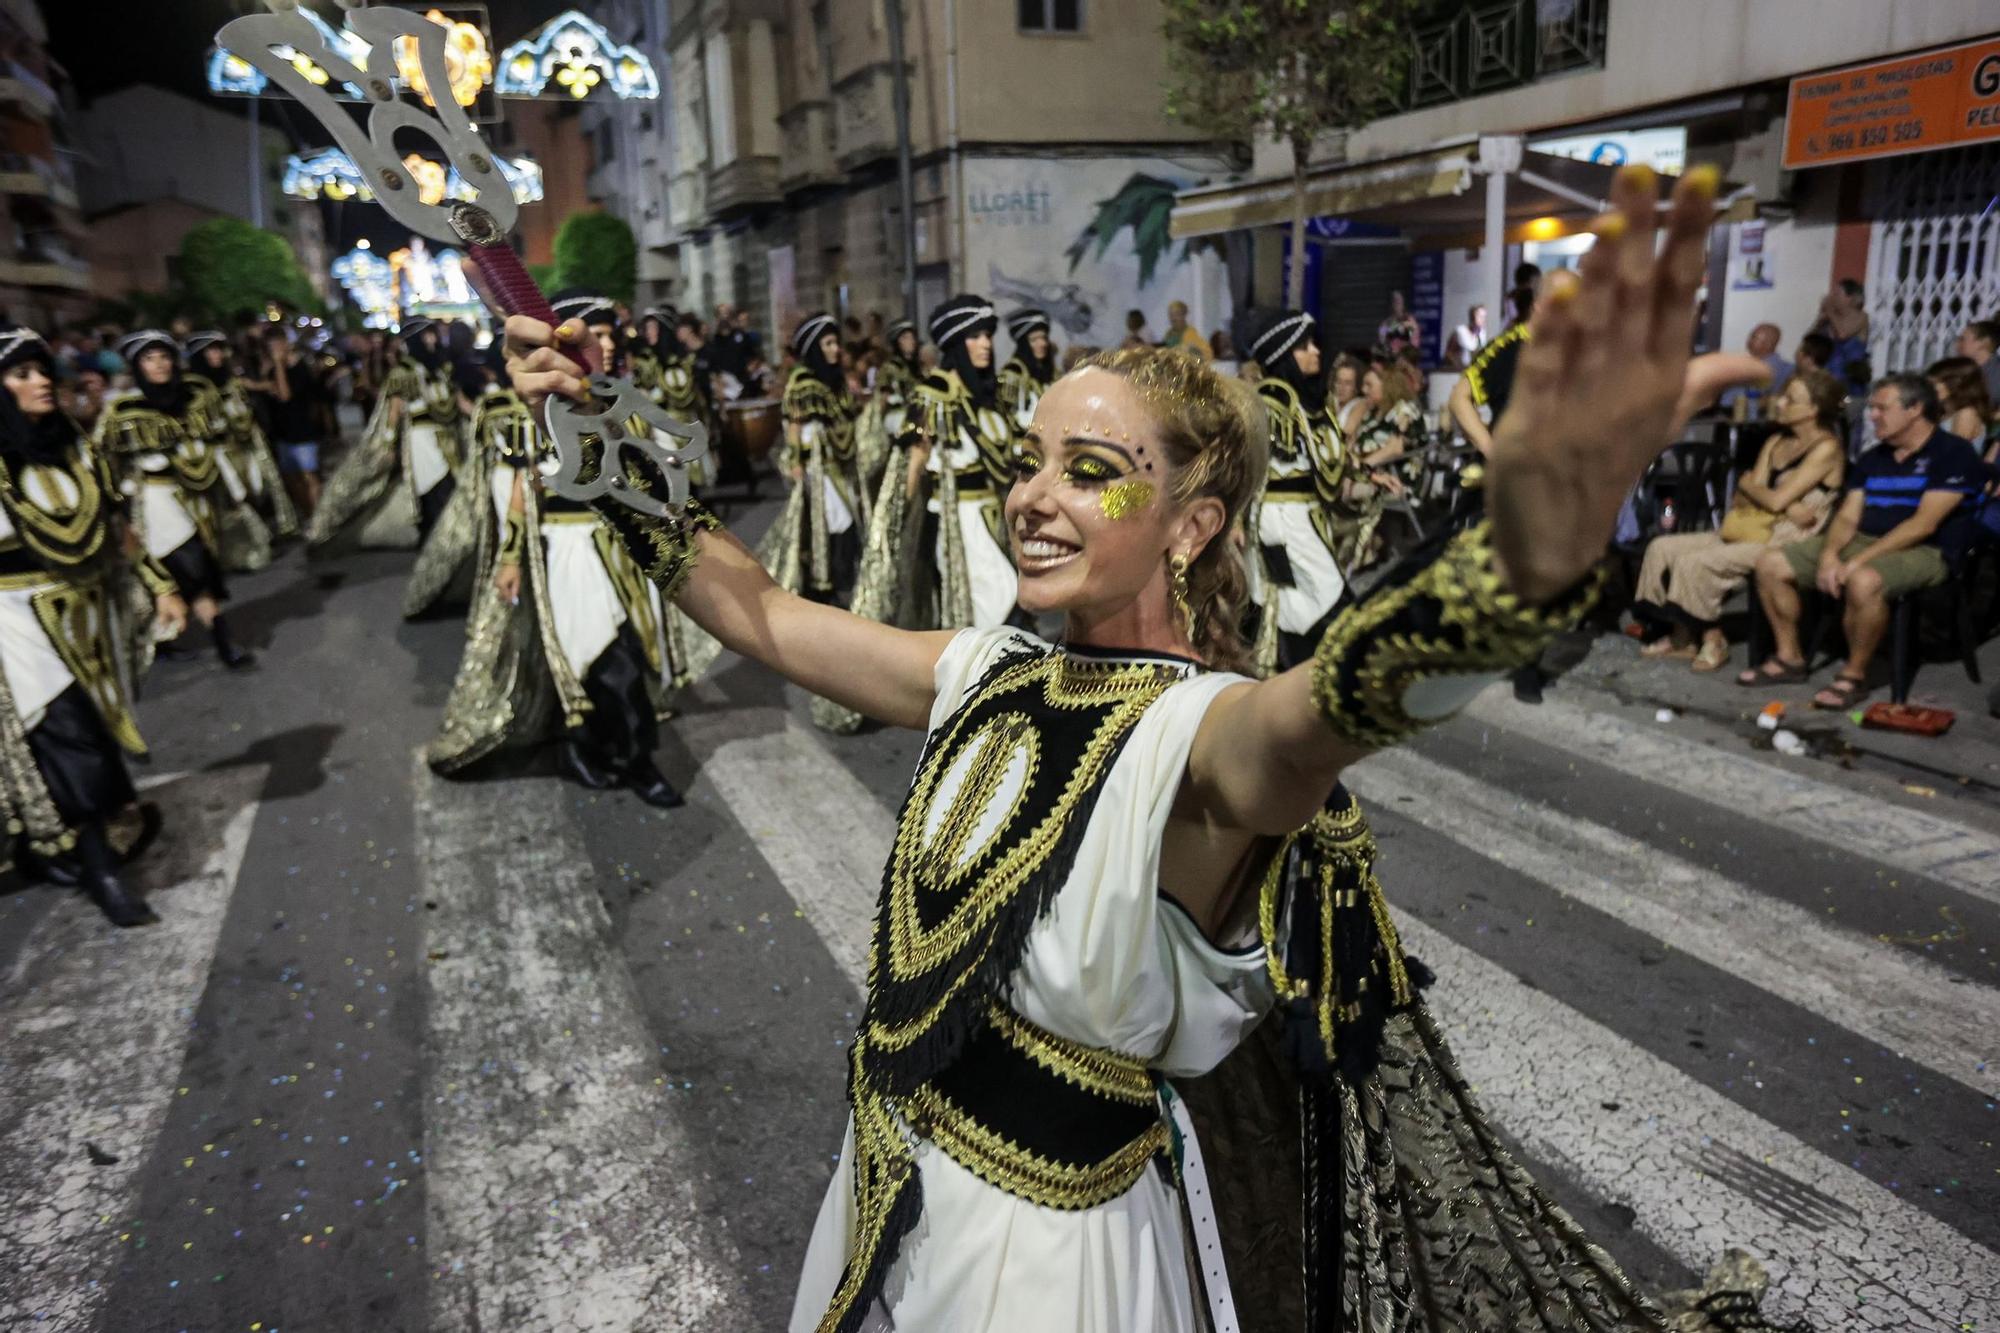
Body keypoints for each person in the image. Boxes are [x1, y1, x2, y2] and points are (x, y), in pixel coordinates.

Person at [505, 161, 1800, 1333]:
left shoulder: (1195, 739)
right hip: (893, 1190)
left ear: (1190, 526)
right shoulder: (990, 662)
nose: (1032, 495)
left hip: (1045, 1273)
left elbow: (1318, 718)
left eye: (1089, 468)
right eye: (1031, 462)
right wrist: (593, 425)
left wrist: (1513, 567)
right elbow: (764, 612)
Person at [0, 322, 187, 926]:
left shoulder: (75, 444)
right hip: (15, 621)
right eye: (21, 374)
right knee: (68, 738)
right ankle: (101, 870)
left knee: (93, 735)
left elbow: (117, 526)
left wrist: (161, 585)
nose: (40, 384)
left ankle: (54, 848)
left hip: (88, 610)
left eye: (41, 371)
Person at [1743, 372, 1985, 708]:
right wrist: (1830, 554)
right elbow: (1847, 517)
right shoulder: (1875, 458)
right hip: (1865, 539)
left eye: (1881, 409)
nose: (1872, 416)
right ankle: (1790, 658)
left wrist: (1856, 560)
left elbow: (1923, 525)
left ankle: (1853, 676)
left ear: (1914, 409)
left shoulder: (1952, 454)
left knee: (1863, 580)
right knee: (1770, 563)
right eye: (1872, 408)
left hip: (1927, 551)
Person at [1634, 370, 1845, 671]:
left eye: (1790, 399)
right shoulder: (1775, 442)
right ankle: (1678, 631)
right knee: (1662, 548)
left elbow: (1772, 499)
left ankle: (1713, 638)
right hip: (1749, 527)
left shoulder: (1826, 448)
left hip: (1784, 540)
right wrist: (1771, 496)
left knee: (1697, 562)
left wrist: (1762, 490)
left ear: (1813, 410)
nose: (1780, 403)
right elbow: (1747, 498)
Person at [95, 330, 253, 669]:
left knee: (193, 569)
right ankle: (223, 642)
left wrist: (233, 489)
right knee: (192, 567)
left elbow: (214, 442)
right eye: (149, 359)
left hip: (197, 499)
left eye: (164, 356)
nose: (159, 365)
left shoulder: (195, 395)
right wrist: (118, 503)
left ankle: (168, 639)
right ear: (137, 366)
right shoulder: (122, 411)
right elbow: (103, 460)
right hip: (155, 505)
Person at [1239, 308, 1348, 672]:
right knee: (1324, 598)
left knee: (1293, 603)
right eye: (1305, 346)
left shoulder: (1305, 404)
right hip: (1282, 521)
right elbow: (1242, 467)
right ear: (1285, 356)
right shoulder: (1269, 406)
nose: (1316, 351)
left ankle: (1293, 682)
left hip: (1299, 517)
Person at [308, 317, 459, 551]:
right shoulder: (403, 372)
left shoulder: (440, 368)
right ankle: (434, 538)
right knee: (431, 489)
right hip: (421, 441)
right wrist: (388, 444)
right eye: (427, 335)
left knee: (447, 486)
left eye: (433, 334)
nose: (433, 339)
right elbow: (395, 409)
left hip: (445, 437)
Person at [767, 312, 865, 602]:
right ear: (814, 348)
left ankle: (837, 585)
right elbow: (794, 428)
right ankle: (825, 589)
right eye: (829, 343)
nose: (836, 348)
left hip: (838, 468)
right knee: (832, 526)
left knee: (845, 525)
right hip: (817, 473)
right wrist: (796, 464)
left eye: (836, 342)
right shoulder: (803, 384)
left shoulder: (834, 382)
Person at [184, 329, 298, 568]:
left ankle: (262, 537)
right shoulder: (192, 391)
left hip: (244, 446)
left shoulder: (232, 382)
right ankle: (245, 547)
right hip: (218, 453)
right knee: (235, 497)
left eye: (218, 350)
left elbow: (252, 400)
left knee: (256, 488)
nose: (217, 355)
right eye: (210, 351)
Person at [998, 307, 1059, 429]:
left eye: (1044, 338)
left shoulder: (1052, 373)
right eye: (1034, 339)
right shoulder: (1014, 373)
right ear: (1024, 343)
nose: (1042, 343)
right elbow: (1010, 418)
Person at [1809, 278, 1870, 388]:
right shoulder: (1830, 317)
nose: (1832, 297)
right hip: (1825, 377)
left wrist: (1830, 312)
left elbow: (1842, 334)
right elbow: (1810, 339)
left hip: (1849, 379)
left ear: (1849, 298)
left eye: (1837, 294)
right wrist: (1820, 320)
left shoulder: (1861, 317)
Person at [1720, 322, 1792, 415]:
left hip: (1744, 417)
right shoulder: (1753, 363)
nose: (1749, 340)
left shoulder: (1767, 368)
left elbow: (1745, 398)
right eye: (1751, 336)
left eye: (1754, 337)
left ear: (1768, 344)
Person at [1928, 354, 1995, 445]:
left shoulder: (1966, 414)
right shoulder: (1945, 412)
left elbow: (1954, 452)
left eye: (1936, 383)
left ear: (1955, 384)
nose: (1930, 388)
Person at [1956, 318, 2000, 407]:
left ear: (1983, 343)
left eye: (1963, 340)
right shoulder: (1962, 369)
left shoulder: (1996, 373)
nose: (1957, 345)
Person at [1375, 289, 1419, 358]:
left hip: (1406, 360)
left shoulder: (1410, 321)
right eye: (1394, 301)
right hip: (1391, 360)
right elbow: (1381, 340)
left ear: (1403, 303)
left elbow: (1414, 344)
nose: (1397, 305)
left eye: (1399, 301)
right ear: (1391, 304)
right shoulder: (1385, 324)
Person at [1447, 302, 1488, 368]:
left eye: (1484, 317)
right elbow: (1448, 354)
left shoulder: (1482, 334)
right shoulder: (1460, 331)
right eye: (1480, 316)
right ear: (1472, 317)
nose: (1483, 320)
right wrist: (1456, 366)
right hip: (1458, 371)